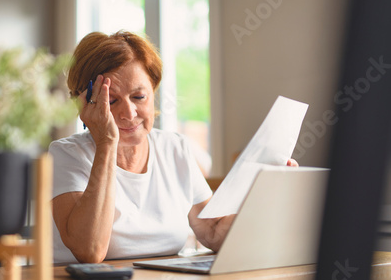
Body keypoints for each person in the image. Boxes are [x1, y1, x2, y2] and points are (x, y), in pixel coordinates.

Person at [49, 30, 298, 264]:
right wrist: (106, 143)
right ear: (84, 105)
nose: (128, 112)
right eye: (111, 100)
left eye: (139, 97)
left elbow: (213, 232)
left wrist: (264, 190)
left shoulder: (174, 148)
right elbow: (90, 250)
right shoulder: (66, 154)